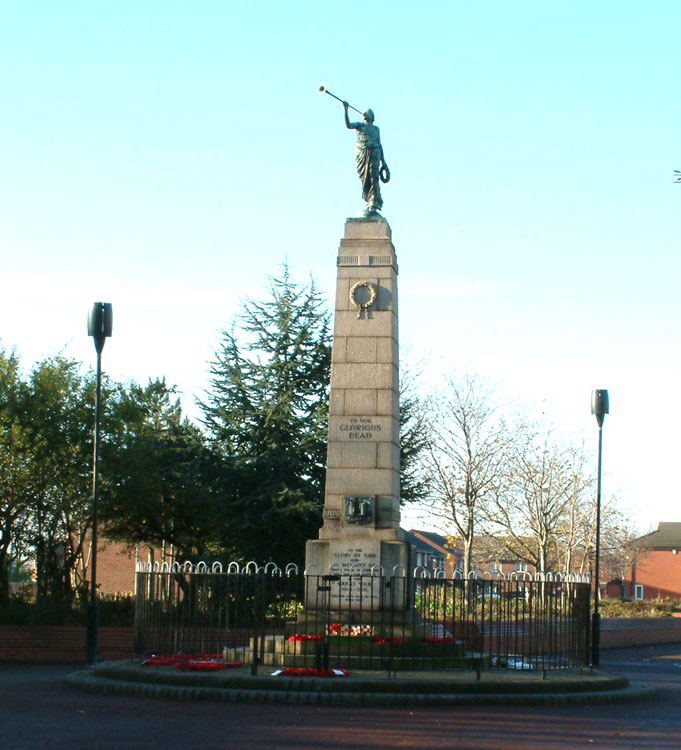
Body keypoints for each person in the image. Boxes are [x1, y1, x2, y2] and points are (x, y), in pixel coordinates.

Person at [344, 102, 390, 216]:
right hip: (362, 153)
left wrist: (383, 161)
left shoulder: (376, 129)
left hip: (374, 153)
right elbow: (348, 125)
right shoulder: (360, 126)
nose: (366, 113)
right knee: (365, 179)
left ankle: (373, 203)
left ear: (371, 117)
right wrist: (346, 110)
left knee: (373, 177)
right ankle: (368, 201)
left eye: (368, 112)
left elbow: (379, 144)